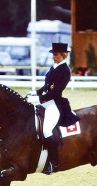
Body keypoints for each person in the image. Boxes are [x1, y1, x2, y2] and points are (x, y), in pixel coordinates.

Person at [27, 43, 80, 175]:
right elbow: (46, 86)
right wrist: (36, 92)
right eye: (53, 54)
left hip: (54, 104)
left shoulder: (65, 70)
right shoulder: (54, 67)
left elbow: (55, 92)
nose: (53, 57)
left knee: (46, 130)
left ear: (63, 55)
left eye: (56, 54)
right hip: (46, 101)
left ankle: (53, 162)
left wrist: (39, 99)